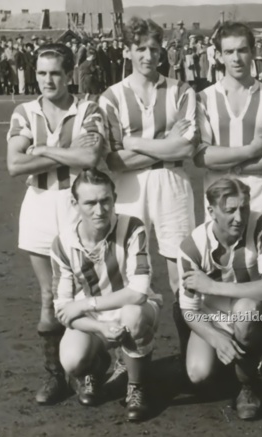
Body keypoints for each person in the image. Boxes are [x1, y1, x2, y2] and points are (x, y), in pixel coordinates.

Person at [6, 43, 106, 405]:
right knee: (49, 296)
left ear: (69, 75)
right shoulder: (24, 112)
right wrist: (66, 153)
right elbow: (14, 164)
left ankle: (89, 369)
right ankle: (55, 377)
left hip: (77, 207)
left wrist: (43, 149)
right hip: (38, 205)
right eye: (42, 73)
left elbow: (90, 156)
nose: (48, 80)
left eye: (56, 73)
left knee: (86, 293)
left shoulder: (88, 109)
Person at [99, 16, 198, 375]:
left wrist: (135, 142)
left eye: (154, 49)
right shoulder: (112, 96)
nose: (148, 55)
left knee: (181, 274)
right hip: (129, 187)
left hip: (172, 183)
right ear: (127, 51)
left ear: (162, 52)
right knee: (127, 276)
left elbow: (186, 148)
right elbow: (114, 160)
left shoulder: (182, 91)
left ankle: (190, 354)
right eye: (140, 48)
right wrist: (165, 142)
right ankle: (125, 361)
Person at [52, 169, 162, 421]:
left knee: (133, 315)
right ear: (75, 204)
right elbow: (62, 309)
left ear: (114, 199)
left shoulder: (132, 227)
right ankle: (96, 367)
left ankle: (136, 386)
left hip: (135, 308)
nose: (99, 210)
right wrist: (99, 327)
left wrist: (86, 303)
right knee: (72, 361)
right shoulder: (62, 243)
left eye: (105, 201)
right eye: (90, 203)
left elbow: (138, 292)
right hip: (95, 318)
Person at [178, 177, 262, 420]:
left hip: (255, 313)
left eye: (244, 208)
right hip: (212, 317)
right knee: (197, 373)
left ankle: (248, 384)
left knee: (245, 314)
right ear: (211, 211)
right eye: (230, 210)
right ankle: (242, 364)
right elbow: (189, 310)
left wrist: (212, 286)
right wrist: (215, 338)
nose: (239, 217)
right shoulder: (192, 246)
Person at [195, 21, 262, 218]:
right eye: (229, 52)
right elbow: (202, 157)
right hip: (219, 198)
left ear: (253, 52)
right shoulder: (204, 99)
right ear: (219, 55)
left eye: (242, 50)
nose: (236, 59)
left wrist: (233, 167)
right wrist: (251, 151)